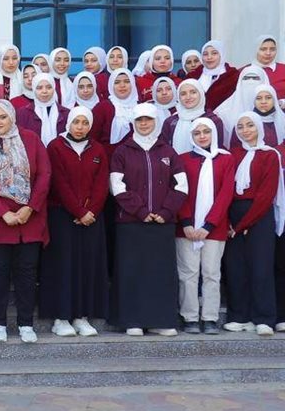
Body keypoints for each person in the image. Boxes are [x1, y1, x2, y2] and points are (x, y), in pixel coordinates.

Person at [0, 101, 50, 343]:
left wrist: (30, 207)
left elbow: (44, 174)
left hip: (30, 219)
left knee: (27, 273)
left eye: (2, 117)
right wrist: (2, 212)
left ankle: (26, 323)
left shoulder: (31, 139)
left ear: (12, 117)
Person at [108, 103, 188, 337]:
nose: (144, 124)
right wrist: (141, 211)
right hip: (131, 222)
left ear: (156, 121)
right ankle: (132, 320)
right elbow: (117, 186)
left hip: (162, 223)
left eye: (148, 119)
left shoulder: (168, 151)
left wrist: (166, 212)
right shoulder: (122, 151)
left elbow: (181, 186)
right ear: (133, 123)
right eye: (139, 120)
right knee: (132, 271)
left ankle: (160, 321)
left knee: (160, 273)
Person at [40, 106, 109, 337]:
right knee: (63, 266)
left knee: (86, 266)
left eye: (85, 123)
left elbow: (101, 184)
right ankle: (61, 318)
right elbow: (59, 183)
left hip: (91, 218)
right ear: (68, 123)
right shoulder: (56, 147)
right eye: (76, 122)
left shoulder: (97, 149)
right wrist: (78, 211)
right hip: (62, 216)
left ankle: (81, 316)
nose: (80, 127)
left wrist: (91, 211)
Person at [224, 112, 285, 335]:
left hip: (259, 215)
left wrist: (242, 225)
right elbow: (225, 189)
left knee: (261, 267)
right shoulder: (232, 154)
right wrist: (229, 222)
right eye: (240, 127)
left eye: (250, 125)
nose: (245, 130)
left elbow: (266, 194)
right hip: (233, 214)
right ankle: (240, 316)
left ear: (259, 127)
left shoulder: (270, 155)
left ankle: (264, 318)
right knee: (235, 268)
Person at [175, 117, 233, 335]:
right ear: (191, 136)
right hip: (187, 228)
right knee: (188, 274)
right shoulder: (182, 159)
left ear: (213, 134)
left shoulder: (225, 159)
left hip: (214, 228)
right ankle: (189, 317)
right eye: (197, 133)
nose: (202, 136)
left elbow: (225, 194)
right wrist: (187, 223)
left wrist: (208, 225)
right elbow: (180, 192)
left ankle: (210, 317)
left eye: (206, 132)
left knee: (211, 273)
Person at [17, 72, 68, 145]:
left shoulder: (66, 113)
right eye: (39, 88)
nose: (44, 91)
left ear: (54, 88)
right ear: (34, 89)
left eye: (49, 87)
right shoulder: (22, 114)